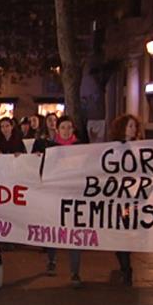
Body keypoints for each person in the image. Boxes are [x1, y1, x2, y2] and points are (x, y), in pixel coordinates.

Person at [38, 115, 84, 288]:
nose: (66, 131)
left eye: (69, 128)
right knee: (54, 230)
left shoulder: (80, 148)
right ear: (57, 130)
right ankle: (52, 259)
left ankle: (75, 271)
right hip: (55, 195)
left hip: (74, 196)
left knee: (74, 233)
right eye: (63, 127)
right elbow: (43, 169)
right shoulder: (50, 147)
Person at [108, 114, 144, 286]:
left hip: (134, 199)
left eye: (134, 126)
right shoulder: (113, 148)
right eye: (130, 126)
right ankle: (125, 267)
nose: (133, 129)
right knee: (121, 232)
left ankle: (126, 265)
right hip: (118, 199)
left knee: (127, 231)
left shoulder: (141, 148)